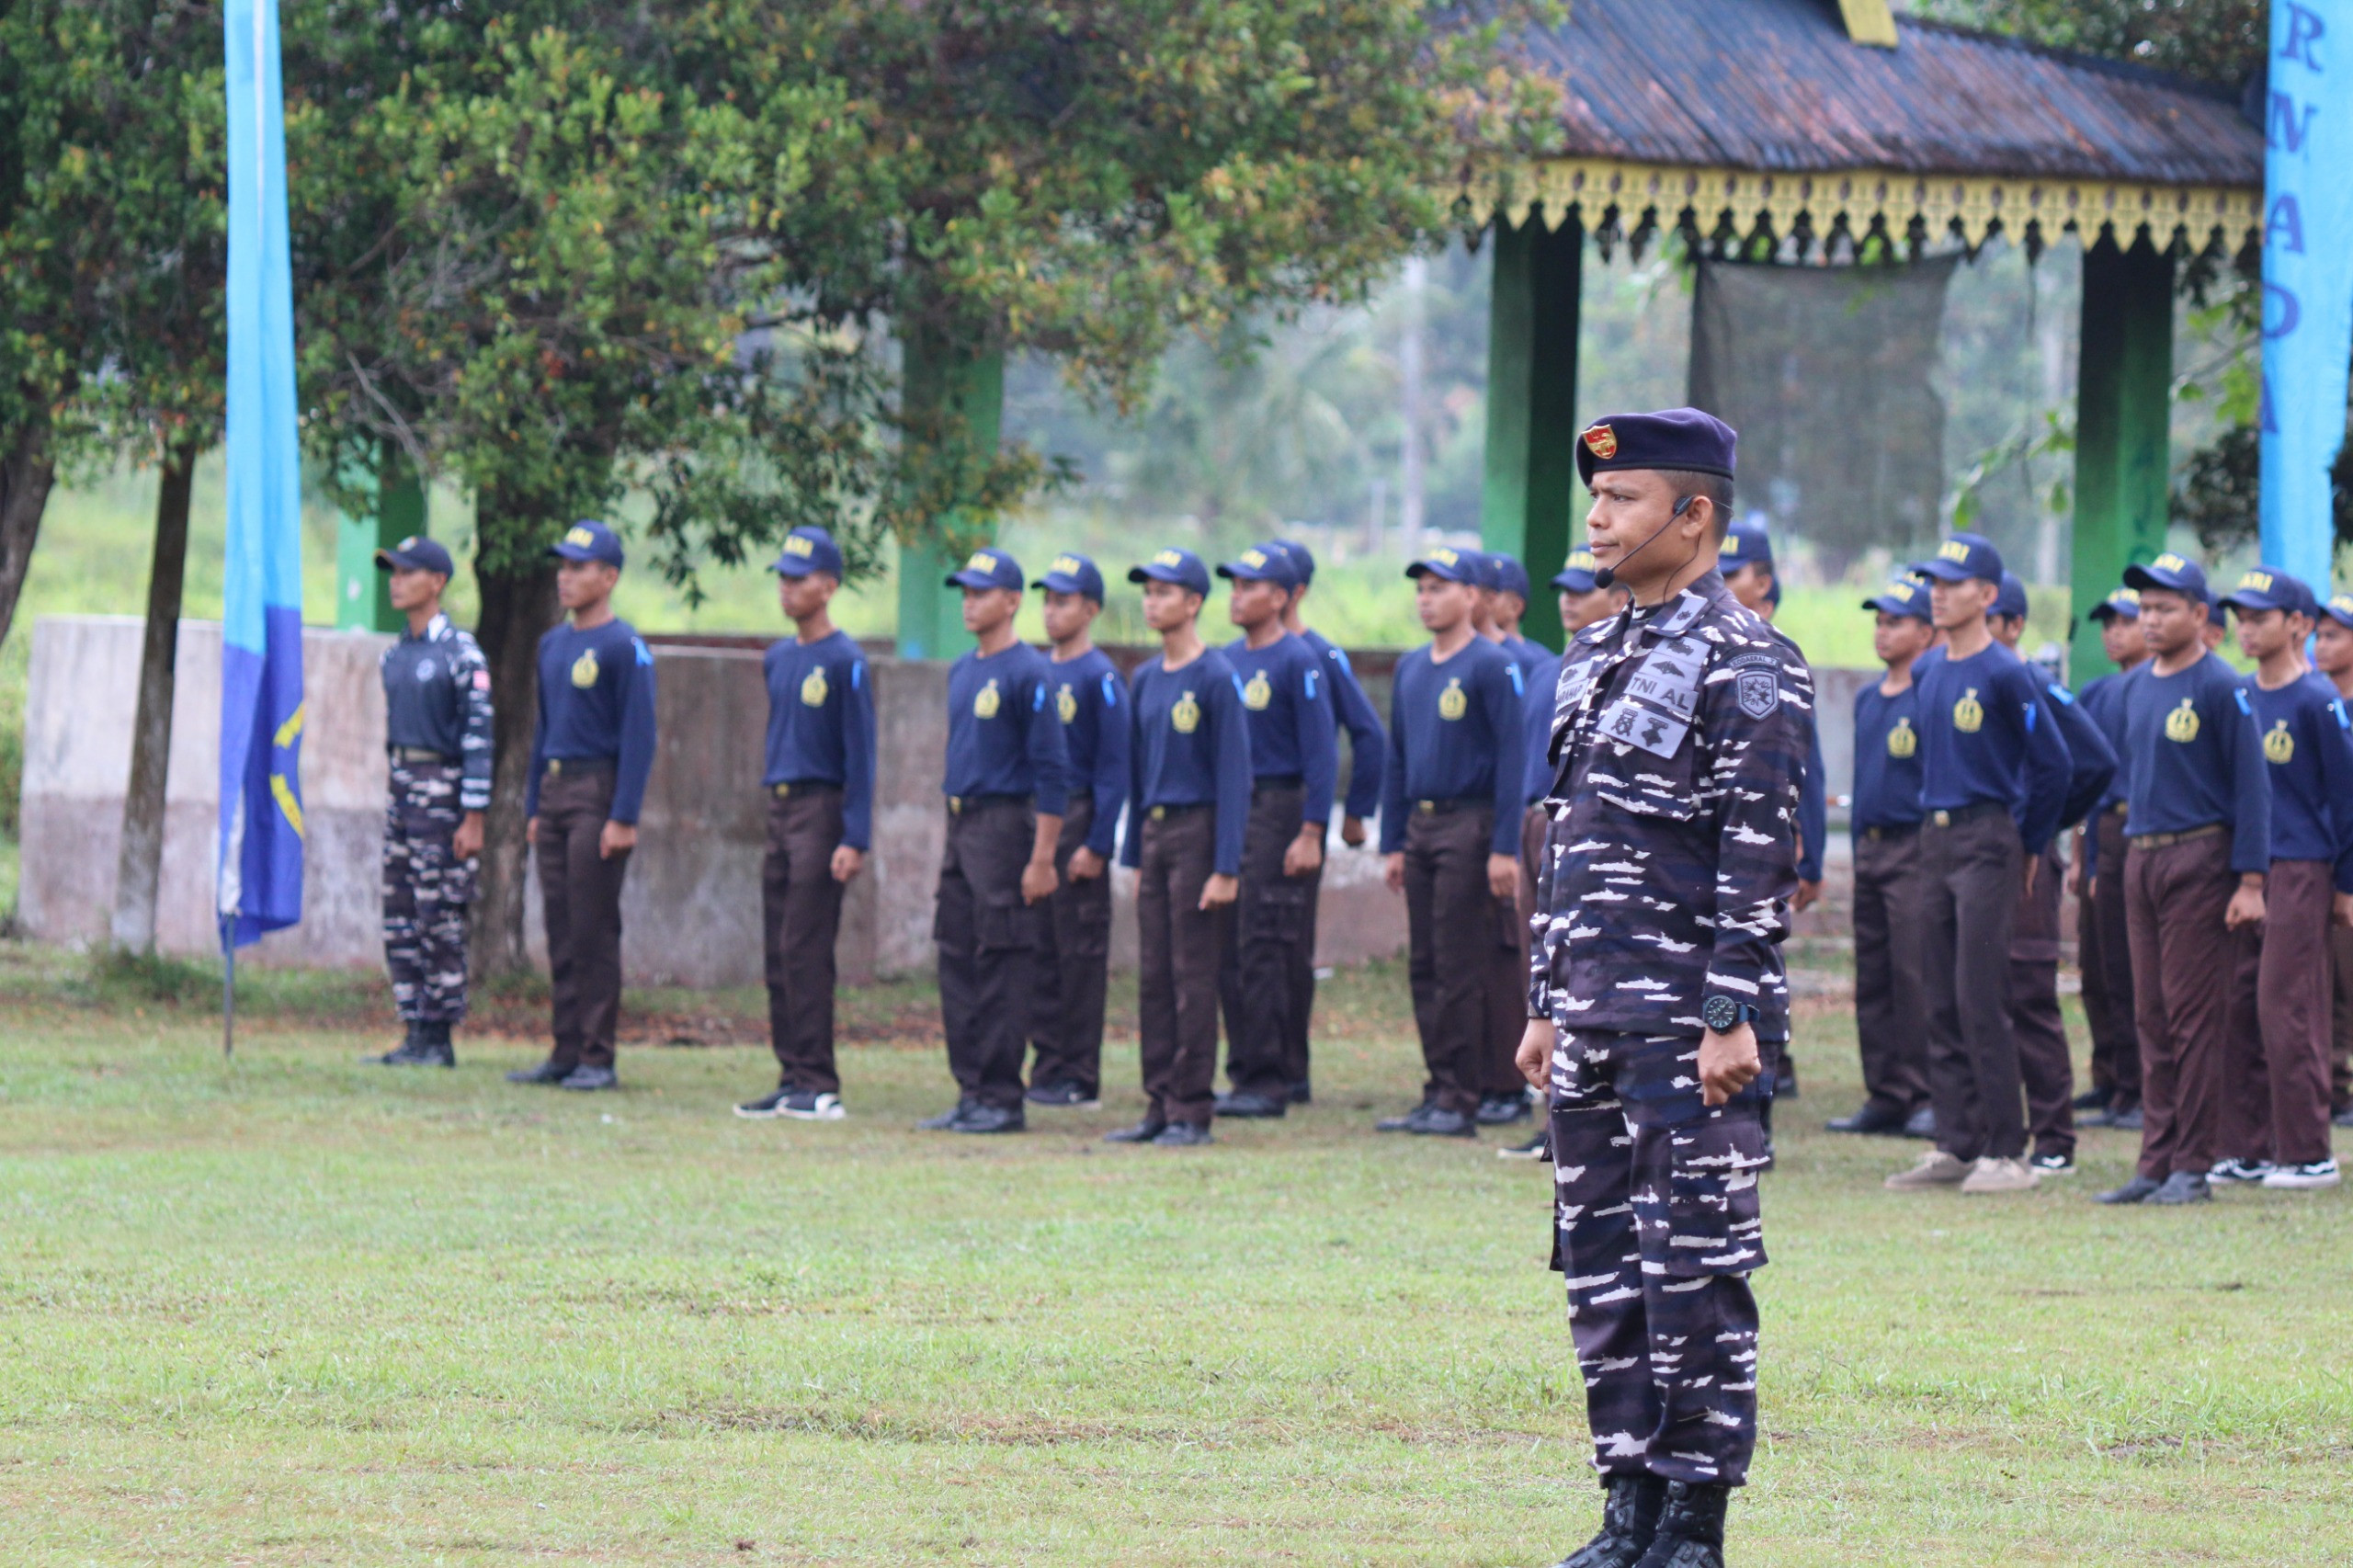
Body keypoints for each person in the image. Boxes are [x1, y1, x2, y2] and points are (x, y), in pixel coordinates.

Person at [1518, 408, 1808, 1568]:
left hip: (1689, 1020)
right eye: (1594, 498)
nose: (1597, 518)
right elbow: (1568, 841)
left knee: (1694, 1266)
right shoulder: (1589, 655)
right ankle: (1624, 1503)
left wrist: (1731, 1011)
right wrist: (1544, 1001)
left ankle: (1693, 1517)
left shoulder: (1748, 659)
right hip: (1589, 1013)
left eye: (1622, 498)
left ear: (1692, 517)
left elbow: (1758, 851)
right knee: (1600, 1269)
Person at [1882, 533, 2071, 1196]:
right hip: (1932, 840)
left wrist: (2029, 841)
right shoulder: (1931, 670)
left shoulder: (2006, 672)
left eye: (1953, 582)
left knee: (1980, 995)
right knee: (1936, 993)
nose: (1937, 591)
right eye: (1932, 579)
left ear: (1987, 596)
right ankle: (1956, 1143)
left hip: (1989, 838)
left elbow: (2055, 764)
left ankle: (2007, 1149)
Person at [2095, 553, 2270, 1207]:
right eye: (2146, 607)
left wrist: (2251, 881)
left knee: (2195, 1017)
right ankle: (2154, 1160)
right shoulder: (2136, 686)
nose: (2152, 619)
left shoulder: (2222, 687)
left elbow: (2255, 791)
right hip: (2143, 856)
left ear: (2201, 615)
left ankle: (2194, 1165)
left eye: (2167, 607)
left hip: (2201, 857)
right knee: (2151, 1013)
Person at [918, 547, 1069, 1136]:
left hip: (1006, 828)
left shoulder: (1029, 672)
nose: (969, 603)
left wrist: (1042, 857)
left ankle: (1003, 1096)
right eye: (965, 592)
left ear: (1012, 601)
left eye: (981, 593)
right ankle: (970, 1090)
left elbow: (1052, 772)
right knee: (956, 957)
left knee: (1003, 961)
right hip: (962, 825)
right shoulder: (964, 669)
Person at [2210, 570, 2350, 1190]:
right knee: (2237, 1006)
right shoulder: (2239, 695)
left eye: (2261, 616)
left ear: (2298, 625)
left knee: (2286, 1006)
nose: (2247, 627)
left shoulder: (2318, 701)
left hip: (2301, 868)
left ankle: (2307, 1151)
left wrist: (2344, 884)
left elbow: (2346, 800)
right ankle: (2247, 1147)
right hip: (2246, 868)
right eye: (2241, 615)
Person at [1379, 544, 1525, 1138]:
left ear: (1472, 596)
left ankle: (1462, 1094)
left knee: (1459, 963)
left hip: (1471, 824)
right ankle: (1437, 1085)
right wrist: (1392, 841)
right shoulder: (1410, 668)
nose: (1427, 598)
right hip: (1421, 824)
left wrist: (1504, 847)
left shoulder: (1491, 666)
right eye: (1421, 589)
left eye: (1440, 587)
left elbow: (1514, 762)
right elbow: (1396, 759)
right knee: (1424, 962)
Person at [1109, 548, 1251, 1147]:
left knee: (1194, 975)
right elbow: (1136, 775)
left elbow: (1234, 777)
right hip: (1156, 832)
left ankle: (1192, 1108)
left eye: (1165, 592)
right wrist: (1134, 855)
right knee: (1153, 977)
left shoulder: (1215, 676)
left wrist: (1225, 866)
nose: (1152, 602)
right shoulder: (1144, 678)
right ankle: (1157, 1103)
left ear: (1193, 603)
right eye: (1147, 591)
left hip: (1198, 834)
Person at [511, 520, 658, 1093]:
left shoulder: (625, 648)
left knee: (594, 926)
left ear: (610, 576)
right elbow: (542, 730)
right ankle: (565, 1049)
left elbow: (639, 736)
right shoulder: (552, 644)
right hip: (554, 792)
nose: (565, 577)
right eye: (563, 566)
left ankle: (598, 1055)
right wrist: (532, 806)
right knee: (560, 924)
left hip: (598, 793)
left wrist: (623, 816)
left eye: (578, 567)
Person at [735, 526, 874, 1123]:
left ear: (829, 586)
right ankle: (790, 1072)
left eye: (799, 579)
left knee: (806, 945)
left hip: (822, 810)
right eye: (783, 579)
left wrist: (855, 834)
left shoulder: (846, 661)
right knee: (776, 948)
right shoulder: (780, 657)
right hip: (781, 806)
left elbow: (862, 754)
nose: (787, 589)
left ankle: (819, 1080)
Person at [1984, 572, 2115, 1176]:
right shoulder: (1962, 680)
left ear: (2012, 626)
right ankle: (1992, 1130)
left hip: (2025, 863)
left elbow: (2092, 764)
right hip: (1975, 861)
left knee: (2028, 993)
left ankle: (2055, 1137)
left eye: (1991, 619)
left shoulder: (2030, 683)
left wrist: (2037, 833)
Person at [1498, 548, 1623, 1161]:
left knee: (1582, 972)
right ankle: (1551, 1114)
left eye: (1585, 587)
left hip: (1581, 829)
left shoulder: (1620, 665)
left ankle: (1576, 1116)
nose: (1569, 599)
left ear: (1617, 594)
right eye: (1563, 588)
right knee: (1540, 966)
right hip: (1536, 822)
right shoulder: (1557, 667)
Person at [1212, 544, 1337, 1119]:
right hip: (1236, 808)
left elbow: (1321, 754)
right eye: (1233, 584)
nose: (1237, 594)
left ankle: (1268, 1079)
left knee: (1267, 943)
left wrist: (1311, 829)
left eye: (1250, 585)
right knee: (1232, 945)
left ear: (1282, 597)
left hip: (1279, 808)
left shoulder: (1298, 660)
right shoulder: (1225, 661)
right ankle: (1255, 1068)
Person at [369, 535, 492, 1069]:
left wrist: (473, 814)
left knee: (439, 910)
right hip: (402, 787)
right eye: (392, 572)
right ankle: (414, 1027)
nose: (396, 581)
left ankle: (440, 1035)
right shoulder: (396, 655)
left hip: (442, 792)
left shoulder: (461, 655)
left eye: (407, 572)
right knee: (400, 910)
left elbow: (479, 738)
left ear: (436, 582)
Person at [1270, 540, 1384, 1105]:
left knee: (1287, 944)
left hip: (1294, 814)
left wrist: (1354, 812)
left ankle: (1290, 1070)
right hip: (1243, 818)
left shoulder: (1319, 654)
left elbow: (1367, 735)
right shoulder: (1240, 653)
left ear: (1294, 592)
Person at [1719, 518, 1824, 1109]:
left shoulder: (1777, 658)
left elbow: (1804, 766)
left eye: (1733, 575)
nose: (1722, 585)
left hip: (1759, 846)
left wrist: (1806, 844)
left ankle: (1763, 1087)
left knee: (1754, 962)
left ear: (1764, 581)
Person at [1825, 578, 1937, 1138]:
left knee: (1913, 973)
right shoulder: (1871, 697)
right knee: (1872, 976)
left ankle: (1924, 1093)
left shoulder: (1931, 692)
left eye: (1896, 621)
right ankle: (1886, 1092)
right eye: (1879, 621)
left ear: (1926, 630)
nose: (1883, 631)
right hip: (1869, 847)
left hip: (1914, 847)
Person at [1025, 552, 1129, 1112]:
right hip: (1044, 823)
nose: (1051, 612)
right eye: (1047, 600)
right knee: (1040, 950)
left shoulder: (1100, 677)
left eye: (1063, 601)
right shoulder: (1039, 671)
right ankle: (1046, 1064)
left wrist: (1097, 843)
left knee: (1079, 954)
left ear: (1090, 609)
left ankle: (1079, 1073)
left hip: (1081, 819)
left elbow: (1115, 767)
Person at [2070, 588, 2148, 1131]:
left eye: (2125, 621)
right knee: (2096, 966)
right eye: (2107, 623)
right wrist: (2083, 855)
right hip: (2100, 827)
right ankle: (2108, 1078)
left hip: (2140, 826)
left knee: (2130, 968)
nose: (2113, 632)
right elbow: (2084, 777)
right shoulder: (2096, 693)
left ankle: (2137, 1088)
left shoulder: (2159, 688)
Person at [2317, 593, 2353, 1131]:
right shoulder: (2313, 702)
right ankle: (2334, 1087)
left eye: (2334, 636)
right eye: (2319, 636)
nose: (2322, 646)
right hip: (2316, 858)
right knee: (2324, 978)